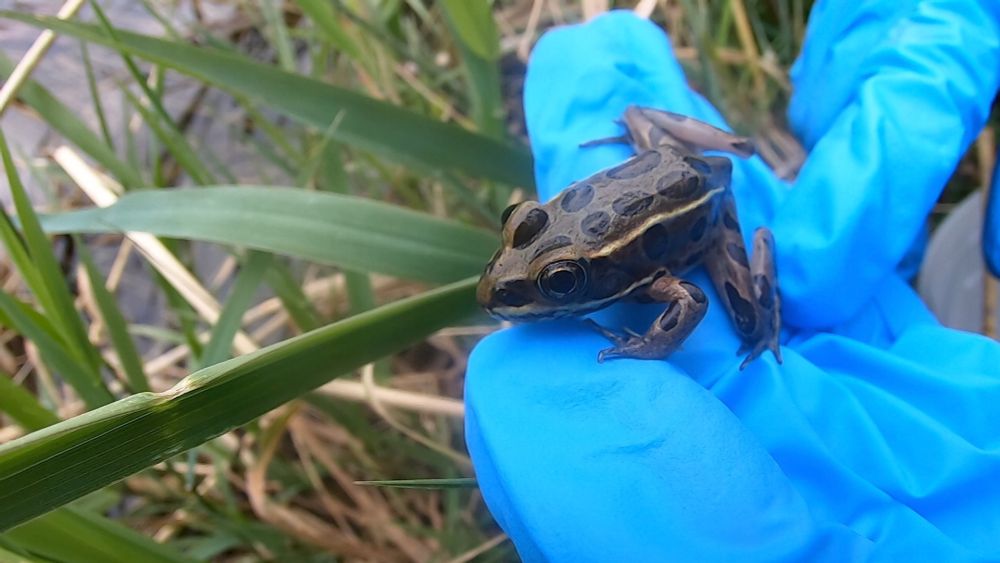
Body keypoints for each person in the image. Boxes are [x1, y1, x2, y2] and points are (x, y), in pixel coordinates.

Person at [465, 5, 1000, 561]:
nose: (503, 285)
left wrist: (651, 346)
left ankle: (765, 248)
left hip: (708, 219)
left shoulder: (646, 279)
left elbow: (690, 298)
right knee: (630, 111)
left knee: (749, 324)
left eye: (557, 281)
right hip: (668, 160)